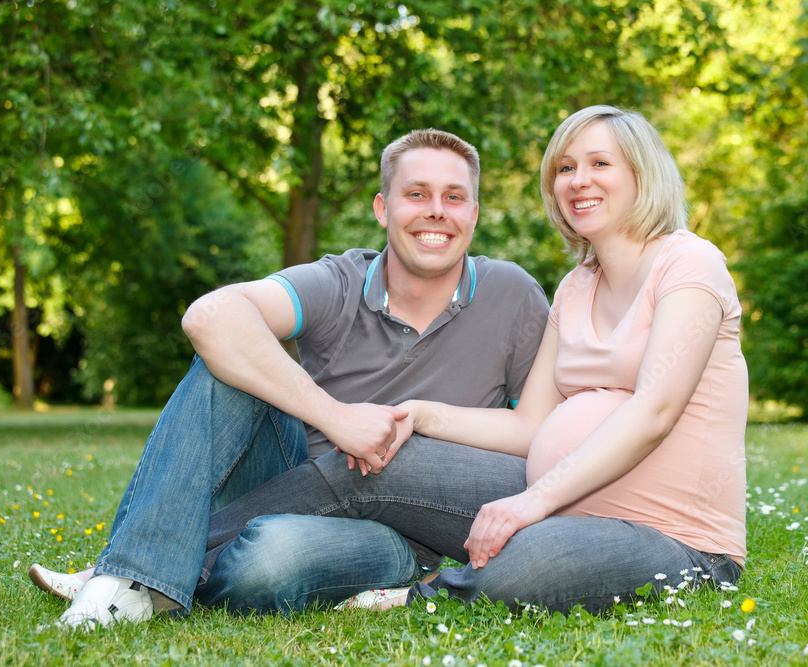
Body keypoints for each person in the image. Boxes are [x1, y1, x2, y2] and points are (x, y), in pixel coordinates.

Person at [195, 104, 747, 614]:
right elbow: (531, 425)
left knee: (535, 559)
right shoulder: (576, 288)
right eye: (565, 167)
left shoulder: (690, 265)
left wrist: (531, 503)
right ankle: (168, 568)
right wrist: (420, 415)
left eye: (600, 163)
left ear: (642, 176)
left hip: (672, 537)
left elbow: (655, 411)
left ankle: (417, 596)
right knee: (382, 455)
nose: (578, 180)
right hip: (559, 499)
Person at [34, 128, 550, 628]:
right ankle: (134, 576)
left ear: (474, 215)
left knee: (270, 562)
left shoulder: (513, 293)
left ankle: (141, 572)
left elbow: (543, 430)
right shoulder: (340, 281)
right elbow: (209, 317)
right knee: (226, 364)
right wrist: (336, 418)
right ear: (382, 208)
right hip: (292, 482)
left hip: (399, 537)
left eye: (454, 197)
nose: (436, 210)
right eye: (416, 194)